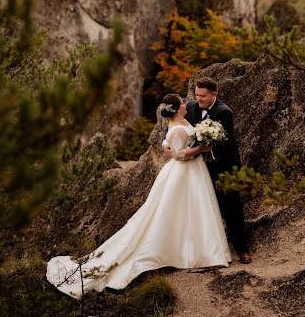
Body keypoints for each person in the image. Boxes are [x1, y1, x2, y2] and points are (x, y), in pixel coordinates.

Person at [47, 93, 231, 299]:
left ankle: (197, 248)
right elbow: (179, 155)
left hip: (194, 173)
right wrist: (204, 147)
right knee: (175, 211)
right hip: (183, 173)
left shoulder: (182, 120)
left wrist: (172, 143)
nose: (187, 105)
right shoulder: (178, 128)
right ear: (177, 108)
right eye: (182, 104)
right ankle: (182, 251)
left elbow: (170, 138)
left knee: (194, 209)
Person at [163, 77, 251, 264]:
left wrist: (199, 149)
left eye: (202, 96)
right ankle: (202, 249)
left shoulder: (224, 112)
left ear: (214, 95)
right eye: (196, 95)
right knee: (202, 207)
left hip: (223, 167)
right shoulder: (192, 107)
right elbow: (174, 125)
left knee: (231, 207)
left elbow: (222, 144)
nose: (198, 99)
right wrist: (165, 142)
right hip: (198, 168)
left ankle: (242, 249)